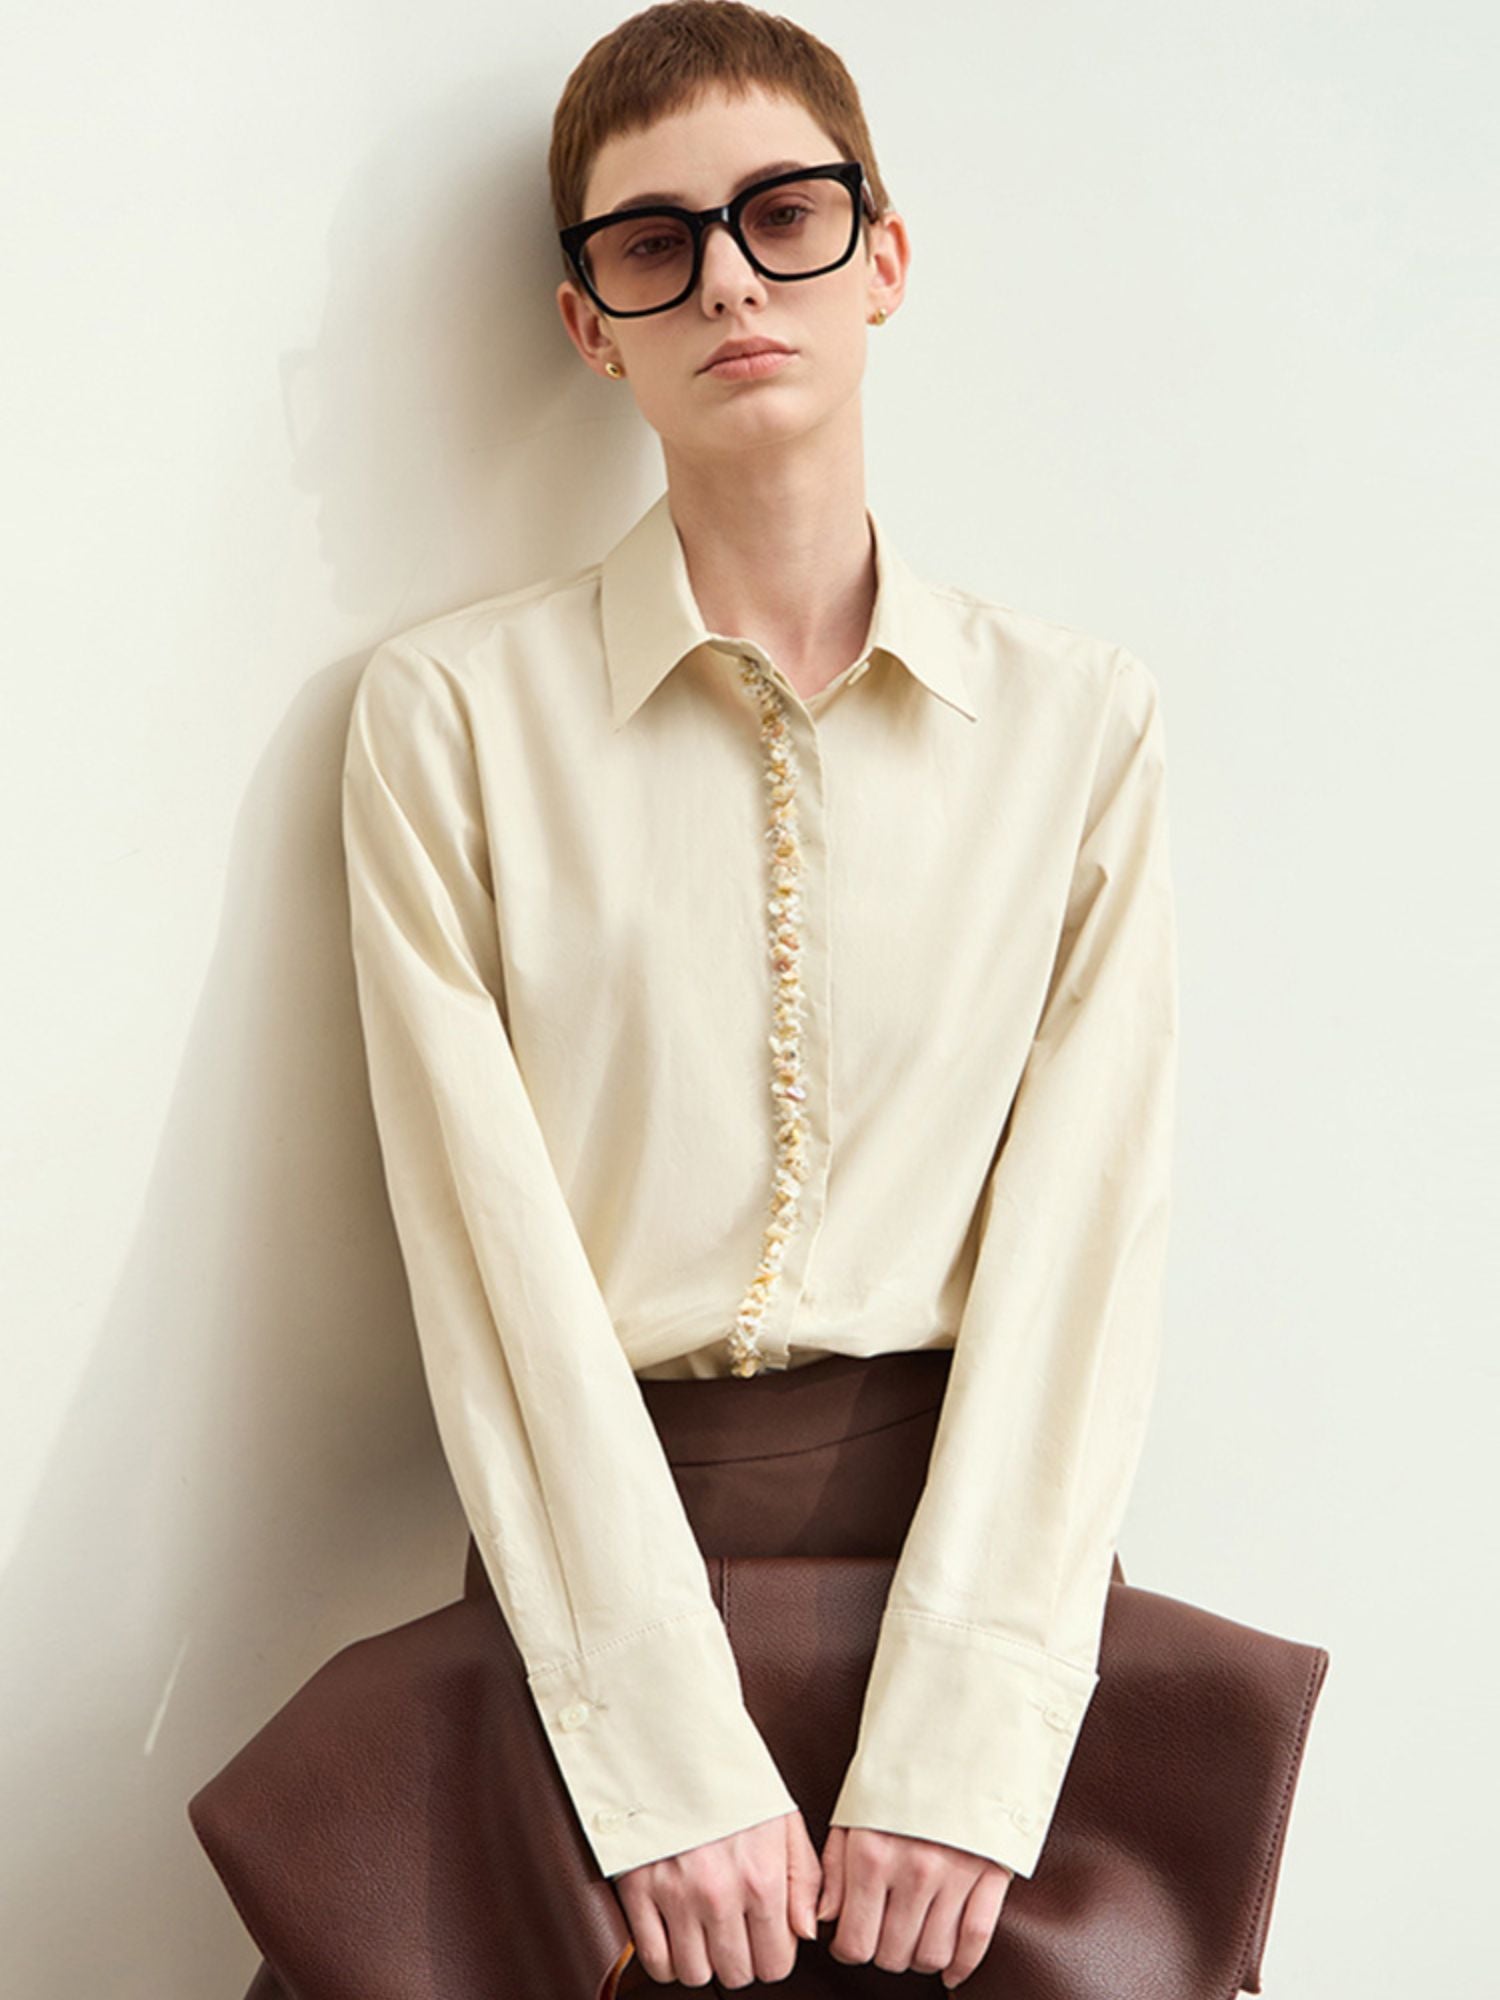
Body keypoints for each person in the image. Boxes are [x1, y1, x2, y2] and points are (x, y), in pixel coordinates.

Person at [340, 2, 1179, 1992]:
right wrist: (660, 1763)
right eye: (652, 243)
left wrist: (965, 1754)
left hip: (971, 1575)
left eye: (783, 212)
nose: (726, 273)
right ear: (589, 324)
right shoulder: (450, 721)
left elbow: (1086, 1250)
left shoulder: (1079, 726)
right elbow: (490, 1263)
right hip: (592, 1584)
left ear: (883, 255)